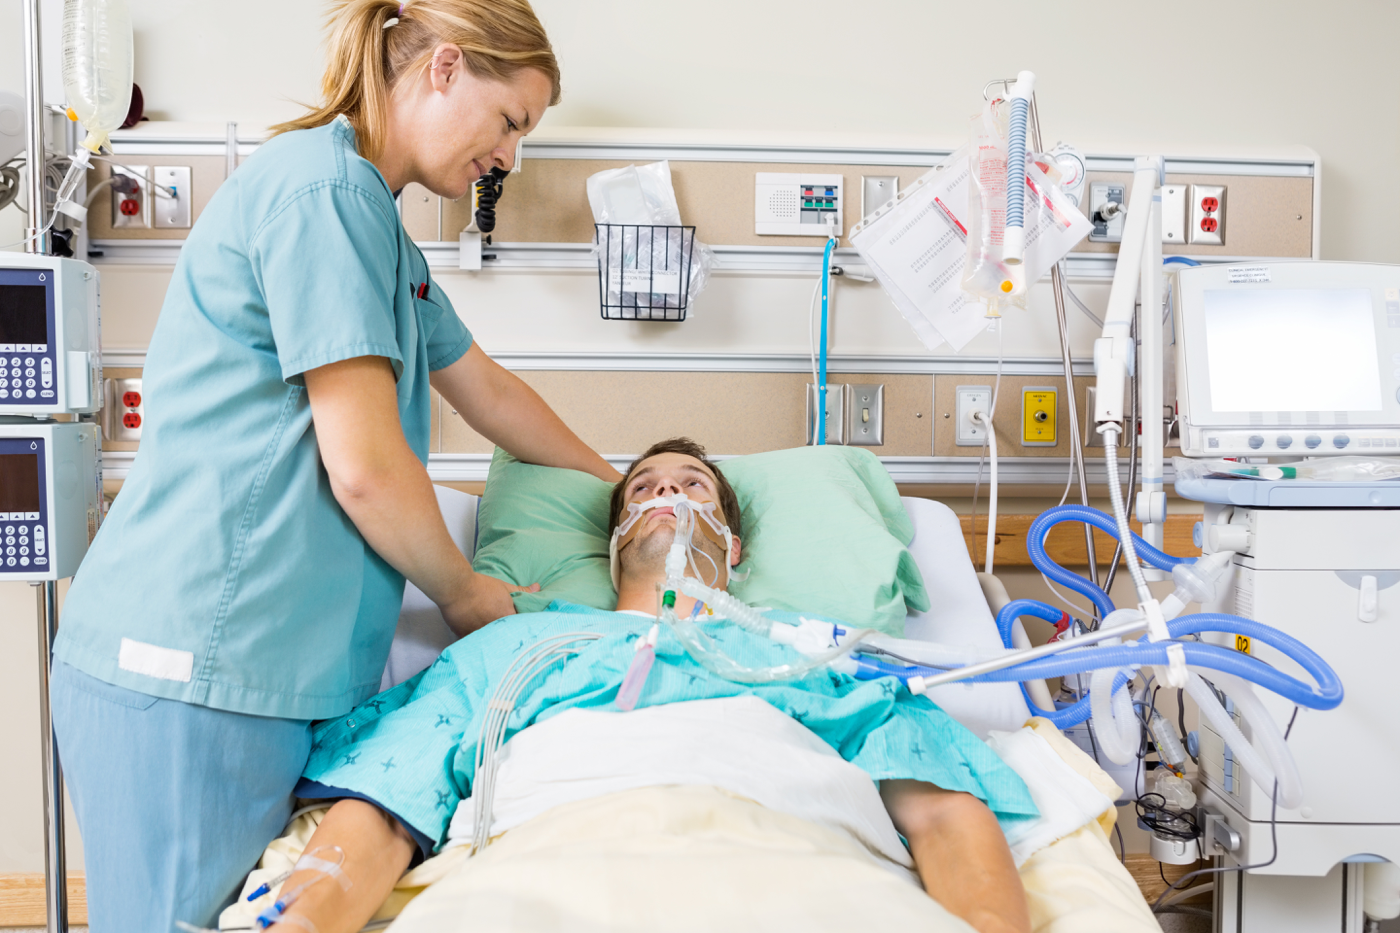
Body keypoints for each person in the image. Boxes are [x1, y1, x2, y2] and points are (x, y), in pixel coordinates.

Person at [48, 2, 619, 929]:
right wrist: (467, 592)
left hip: (255, 676)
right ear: (443, 68)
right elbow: (361, 465)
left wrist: (621, 490)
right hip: (191, 662)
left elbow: (490, 390)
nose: (510, 157)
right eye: (511, 121)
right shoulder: (325, 195)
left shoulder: (376, 227)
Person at [251, 439, 1037, 933]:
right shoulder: (518, 647)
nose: (667, 495)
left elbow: (941, 811)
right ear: (615, 538)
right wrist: (308, 914)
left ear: (732, 550)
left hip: (794, 861)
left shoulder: (807, 656)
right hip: (549, 865)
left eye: (693, 485)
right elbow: (390, 801)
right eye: (644, 489)